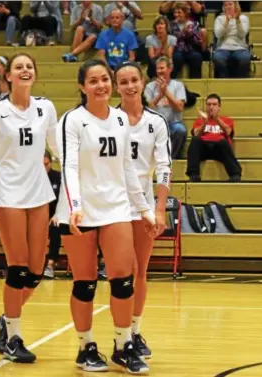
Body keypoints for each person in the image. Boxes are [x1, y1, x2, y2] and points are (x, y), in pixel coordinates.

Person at [54, 59, 155, 374]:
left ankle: (123, 346)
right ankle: (85, 347)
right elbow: (68, 166)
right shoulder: (72, 120)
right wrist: (75, 205)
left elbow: (127, 168)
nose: (101, 86)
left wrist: (144, 209)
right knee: (84, 283)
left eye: (104, 80)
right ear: (82, 86)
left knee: (123, 280)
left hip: (115, 208)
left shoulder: (121, 120)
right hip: (78, 211)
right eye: (93, 81)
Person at [0, 53, 58, 363]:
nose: (25, 70)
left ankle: (5, 318)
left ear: (34, 74)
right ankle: (13, 337)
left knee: (37, 271)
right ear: (8, 77)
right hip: (8, 192)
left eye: (29, 66)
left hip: (38, 191)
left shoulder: (46, 108)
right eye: (18, 67)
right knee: (18, 266)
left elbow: (58, 146)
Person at [115, 61, 172, 359]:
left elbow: (163, 168)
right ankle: (121, 335)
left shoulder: (156, 122)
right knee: (126, 271)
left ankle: (134, 331)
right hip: (113, 206)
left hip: (144, 206)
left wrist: (159, 209)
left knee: (141, 271)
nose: (129, 86)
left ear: (142, 82)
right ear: (116, 87)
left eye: (134, 80)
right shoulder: (109, 120)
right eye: (123, 82)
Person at [186, 93, 242, 182]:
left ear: (219, 107)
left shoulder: (227, 120)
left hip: (219, 150)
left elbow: (228, 132)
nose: (211, 107)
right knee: (195, 140)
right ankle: (194, 175)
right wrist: (204, 122)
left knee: (223, 142)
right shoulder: (199, 120)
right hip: (203, 149)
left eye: (214, 104)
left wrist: (217, 119)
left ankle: (235, 175)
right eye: (209, 104)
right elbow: (196, 134)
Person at [144, 57, 187, 159]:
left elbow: (180, 108)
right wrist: (159, 95)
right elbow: (147, 109)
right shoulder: (150, 86)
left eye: (162, 68)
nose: (159, 71)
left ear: (170, 69)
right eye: (158, 68)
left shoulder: (178, 85)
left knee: (180, 130)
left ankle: (170, 159)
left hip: (173, 123)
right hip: (155, 124)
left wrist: (166, 92)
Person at [213, 1, 251, 78]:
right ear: (223, 8)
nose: (228, 7)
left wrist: (238, 21)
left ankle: (240, 81)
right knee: (218, 58)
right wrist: (226, 21)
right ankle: (225, 80)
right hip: (222, 48)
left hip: (240, 48)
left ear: (235, 6)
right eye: (226, 5)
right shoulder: (219, 19)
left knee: (245, 58)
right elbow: (218, 35)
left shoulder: (243, 18)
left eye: (230, 4)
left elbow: (242, 34)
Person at [43, 150, 62, 279]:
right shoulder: (32, 178)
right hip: (37, 216)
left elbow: (63, 199)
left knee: (56, 227)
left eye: (47, 164)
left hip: (54, 214)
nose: (45, 168)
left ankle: (50, 264)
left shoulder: (58, 177)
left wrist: (57, 214)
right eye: (41, 165)